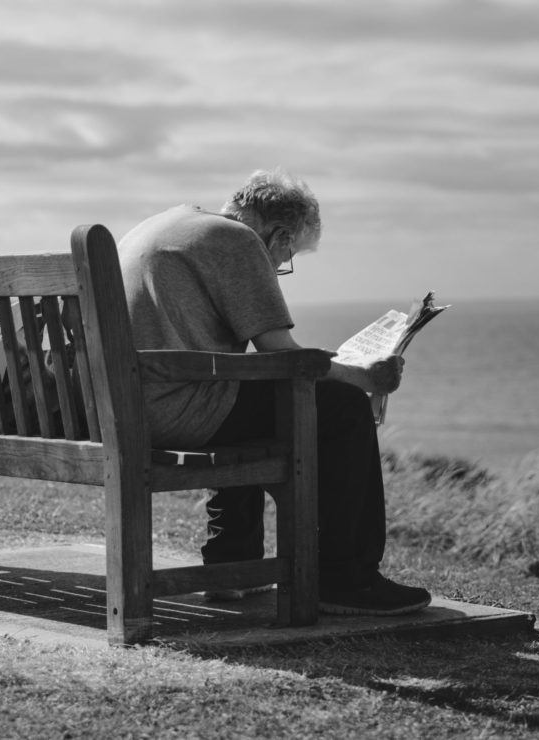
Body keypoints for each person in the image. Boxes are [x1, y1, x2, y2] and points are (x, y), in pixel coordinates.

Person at [117, 168, 431, 616]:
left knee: (250, 390)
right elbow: (279, 351)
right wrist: (364, 377)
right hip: (172, 408)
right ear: (280, 234)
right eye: (288, 257)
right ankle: (346, 578)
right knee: (343, 408)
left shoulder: (166, 224)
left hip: (125, 404)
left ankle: (233, 565)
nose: (280, 268)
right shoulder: (238, 241)